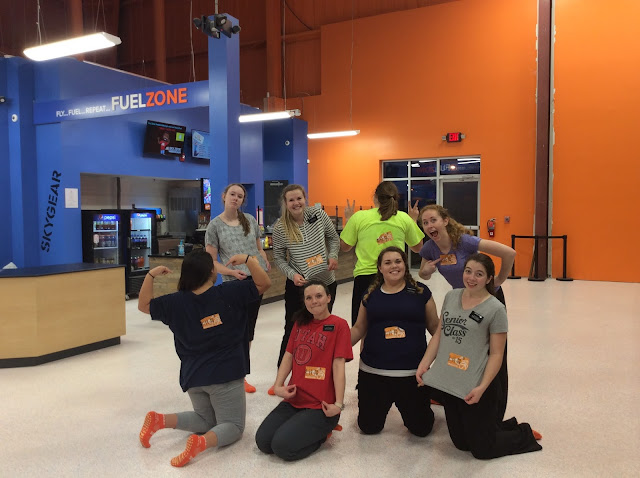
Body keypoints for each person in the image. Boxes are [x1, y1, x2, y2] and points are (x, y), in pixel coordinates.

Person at [137, 249, 270, 467]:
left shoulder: (175, 303)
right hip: (226, 374)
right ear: (211, 272)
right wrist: (248, 260)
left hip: (193, 376)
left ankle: (160, 420)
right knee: (234, 426)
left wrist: (150, 275)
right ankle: (201, 443)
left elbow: (143, 305)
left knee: (206, 420)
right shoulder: (229, 293)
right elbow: (264, 283)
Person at [416, 253, 542, 459]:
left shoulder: (496, 309)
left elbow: (497, 354)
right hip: (452, 380)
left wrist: (482, 387)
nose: (471, 278)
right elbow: (439, 334)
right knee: (461, 444)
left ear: (489, 278)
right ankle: (500, 426)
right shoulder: (452, 297)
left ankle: (523, 433)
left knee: (482, 450)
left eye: (479, 274)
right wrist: (424, 364)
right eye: (468, 271)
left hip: (477, 384)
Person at [417, 204, 515, 418]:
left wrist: (499, 279)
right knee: (460, 349)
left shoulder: (464, 242)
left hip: (486, 300)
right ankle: (456, 393)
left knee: (492, 353)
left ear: (445, 221)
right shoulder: (429, 248)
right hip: (460, 301)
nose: (429, 225)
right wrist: (426, 271)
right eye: (425, 222)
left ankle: (495, 408)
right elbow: (424, 273)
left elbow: (509, 253)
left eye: (433, 220)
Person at [255, 280, 353, 461]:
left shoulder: (339, 325)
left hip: (321, 407)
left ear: (329, 298)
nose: (314, 301)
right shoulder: (300, 323)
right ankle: (306, 429)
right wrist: (278, 386)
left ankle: (323, 434)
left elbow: (339, 365)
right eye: (309, 298)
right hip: (295, 400)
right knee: (263, 442)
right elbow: (289, 355)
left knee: (282, 447)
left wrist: (338, 405)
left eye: (319, 296)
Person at [351, 246, 439, 437]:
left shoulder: (421, 292)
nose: (394, 266)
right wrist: (334, 346)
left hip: (412, 373)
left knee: (421, 429)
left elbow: (436, 328)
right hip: (373, 372)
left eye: (398, 261)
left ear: (405, 265)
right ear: (380, 268)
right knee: (368, 427)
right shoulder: (370, 294)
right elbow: (359, 328)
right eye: (388, 262)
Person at [270, 184, 340, 395]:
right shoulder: (280, 227)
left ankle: (315, 376)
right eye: (291, 200)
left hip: (326, 282)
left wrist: (333, 255)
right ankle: (280, 380)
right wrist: (292, 275)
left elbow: (333, 238)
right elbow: (279, 258)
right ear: (285, 203)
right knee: (292, 330)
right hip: (299, 287)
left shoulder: (318, 214)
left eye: (299, 198)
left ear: (305, 198)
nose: (296, 203)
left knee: (321, 330)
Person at [205, 183, 270, 393]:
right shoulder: (214, 226)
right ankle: (228, 373)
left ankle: (241, 376)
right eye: (232, 194)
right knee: (233, 330)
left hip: (255, 281)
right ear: (224, 196)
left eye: (240, 196)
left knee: (248, 330)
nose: (235, 198)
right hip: (233, 284)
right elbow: (211, 261)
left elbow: (259, 248)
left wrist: (264, 260)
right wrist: (231, 273)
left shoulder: (250, 220)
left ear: (243, 200)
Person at [340, 181, 424, 326]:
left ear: (375, 198)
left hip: (365, 278)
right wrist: (413, 221)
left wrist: (348, 220)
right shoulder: (403, 218)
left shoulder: (359, 217)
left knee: (362, 325)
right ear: (395, 198)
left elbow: (345, 247)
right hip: (395, 276)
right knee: (394, 323)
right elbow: (418, 248)